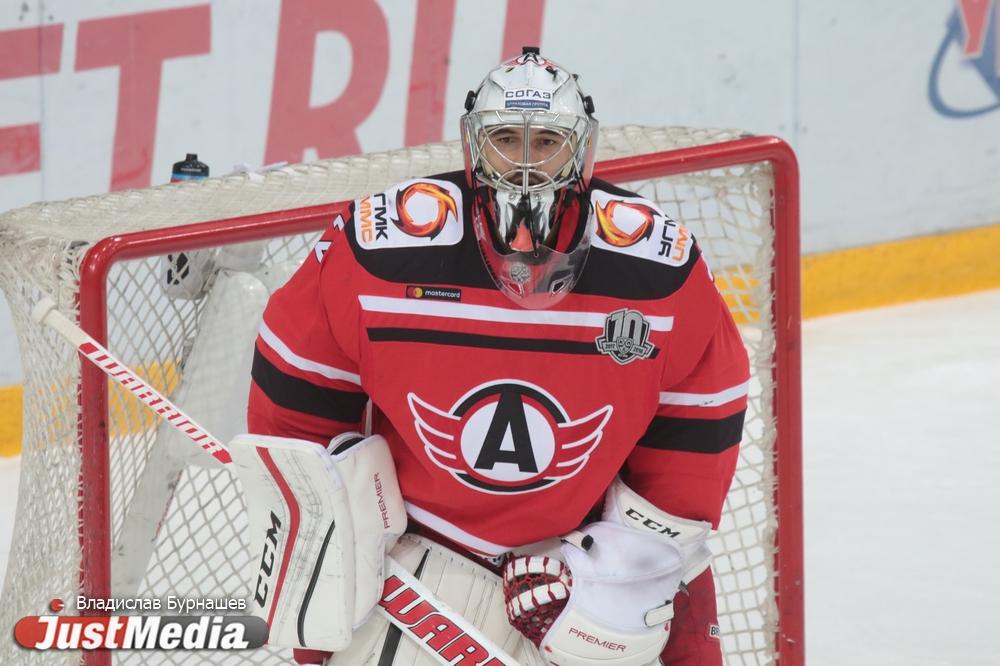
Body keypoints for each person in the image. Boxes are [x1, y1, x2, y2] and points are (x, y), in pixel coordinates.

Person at [248, 47, 749, 666]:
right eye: (507, 139)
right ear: (472, 145)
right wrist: (333, 550)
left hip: (576, 564)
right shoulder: (384, 251)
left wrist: (624, 567)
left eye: (547, 143)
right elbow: (296, 413)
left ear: (582, 149)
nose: (527, 164)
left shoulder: (657, 272)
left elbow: (696, 434)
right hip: (415, 565)